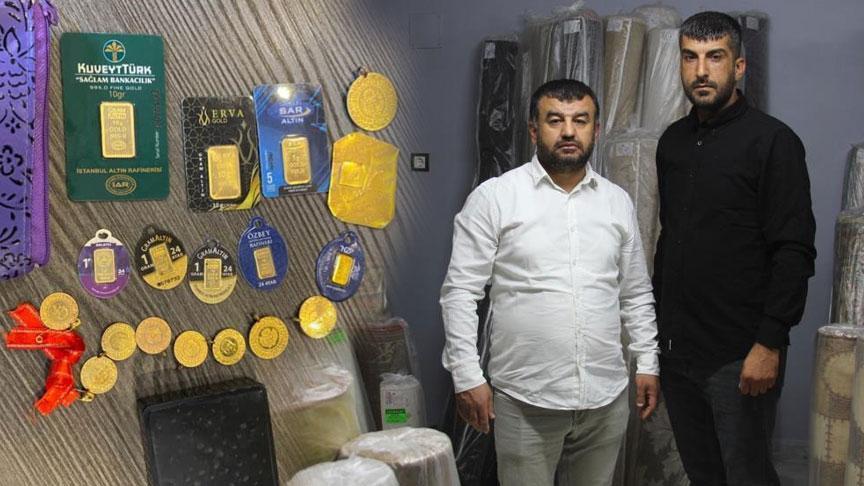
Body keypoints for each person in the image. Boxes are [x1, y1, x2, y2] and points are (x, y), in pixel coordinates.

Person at [440, 79, 660, 486]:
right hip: (526, 400)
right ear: (533, 129)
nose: (569, 131)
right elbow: (460, 293)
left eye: (581, 120)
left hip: (605, 398)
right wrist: (466, 375)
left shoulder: (616, 202)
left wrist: (647, 361)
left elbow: (634, 292)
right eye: (555, 120)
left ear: (596, 129)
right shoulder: (495, 198)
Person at [654, 12, 816, 486]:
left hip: (740, 355)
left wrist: (769, 343)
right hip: (678, 351)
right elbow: (671, 240)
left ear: (739, 66)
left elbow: (794, 250)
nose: (701, 71)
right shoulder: (672, 143)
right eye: (690, 57)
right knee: (703, 475)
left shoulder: (773, 142)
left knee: (747, 476)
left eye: (715, 57)